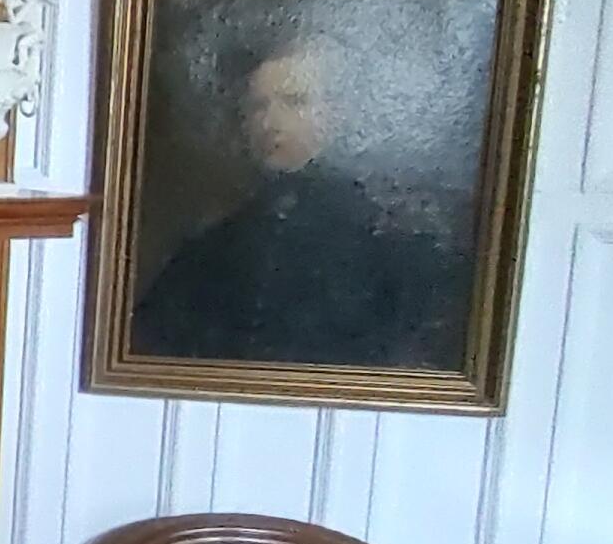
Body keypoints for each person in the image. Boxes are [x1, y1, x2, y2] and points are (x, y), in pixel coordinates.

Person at [129, 35, 464, 369]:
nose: (270, 123)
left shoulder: (387, 234)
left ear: (335, 114)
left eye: (294, 102)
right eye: (259, 106)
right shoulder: (215, 246)